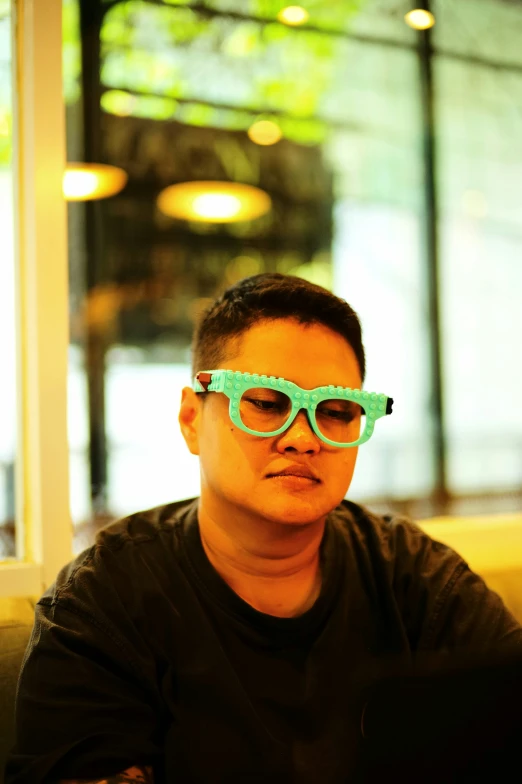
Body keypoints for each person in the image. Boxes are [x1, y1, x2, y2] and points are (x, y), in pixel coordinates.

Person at [5, 273, 522, 784]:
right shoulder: (102, 604)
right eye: (266, 404)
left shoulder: (417, 579)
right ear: (191, 418)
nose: (303, 437)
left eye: (337, 411)